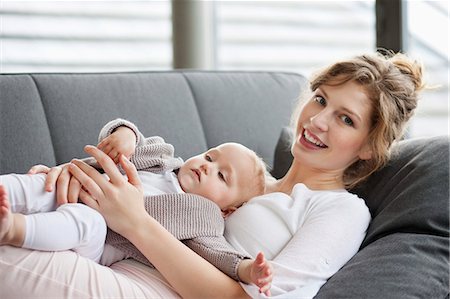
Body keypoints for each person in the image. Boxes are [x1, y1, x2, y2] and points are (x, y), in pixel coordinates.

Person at [0, 51, 424, 298]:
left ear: (370, 146)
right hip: (103, 253)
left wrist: (134, 221)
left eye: (346, 119)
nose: (318, 121)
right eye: (320, 99)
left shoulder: (340, 210)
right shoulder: (241, 179)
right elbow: (153, 176)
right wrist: (69, 183)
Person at [0, 118, 272, 294]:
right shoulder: (164, 159)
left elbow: (218, 254)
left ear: (227, 210)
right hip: (76, 188)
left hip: (100, 237)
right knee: (40, 183)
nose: (207, 166)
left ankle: (12, 228)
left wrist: (248, 269)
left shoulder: (205, 216)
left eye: (222, 176)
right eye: (210, 156)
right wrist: (124, 135)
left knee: (84, 220)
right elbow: (132, 139)